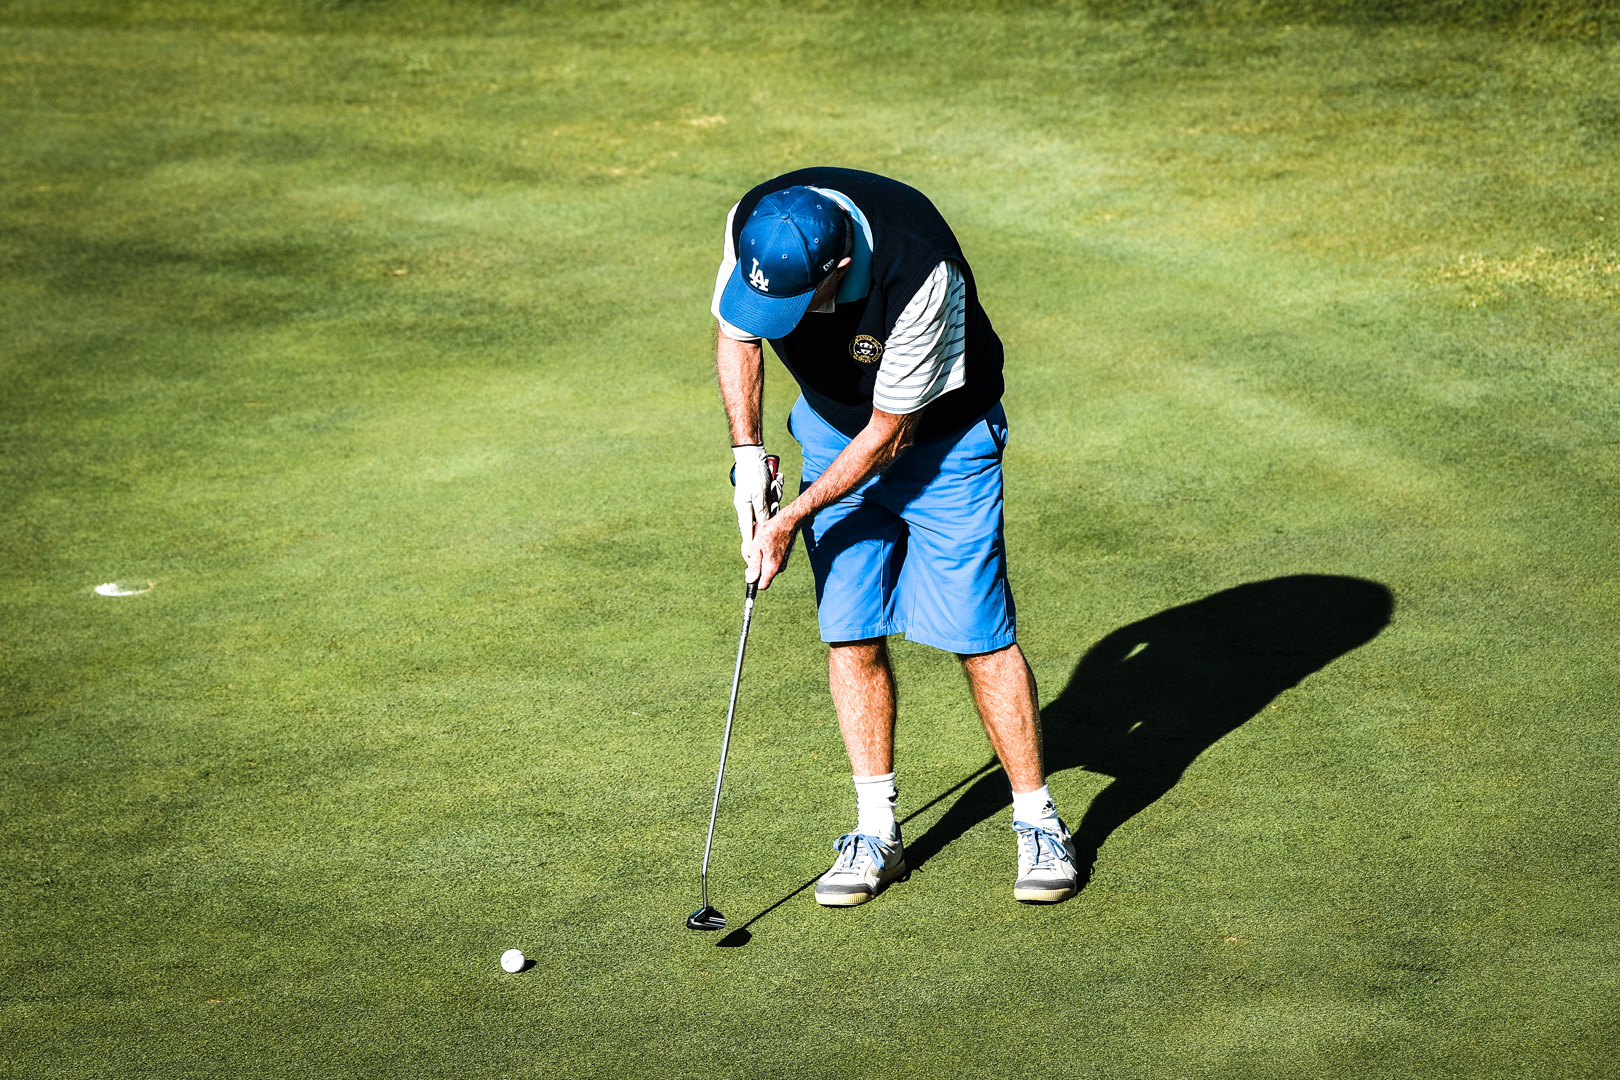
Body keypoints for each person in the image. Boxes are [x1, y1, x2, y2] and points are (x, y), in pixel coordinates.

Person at [711, 167, 1078, 905]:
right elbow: (737, 334)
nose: (781, 321)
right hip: (832, 430)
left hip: (944, 443)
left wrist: (791, 517)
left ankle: (1038, 821)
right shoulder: (756, 221)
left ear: (840, 266)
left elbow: (889, 433)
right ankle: (877, 831)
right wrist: (748, 456)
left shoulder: (920, 271)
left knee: (980, 636)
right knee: (849, 631)